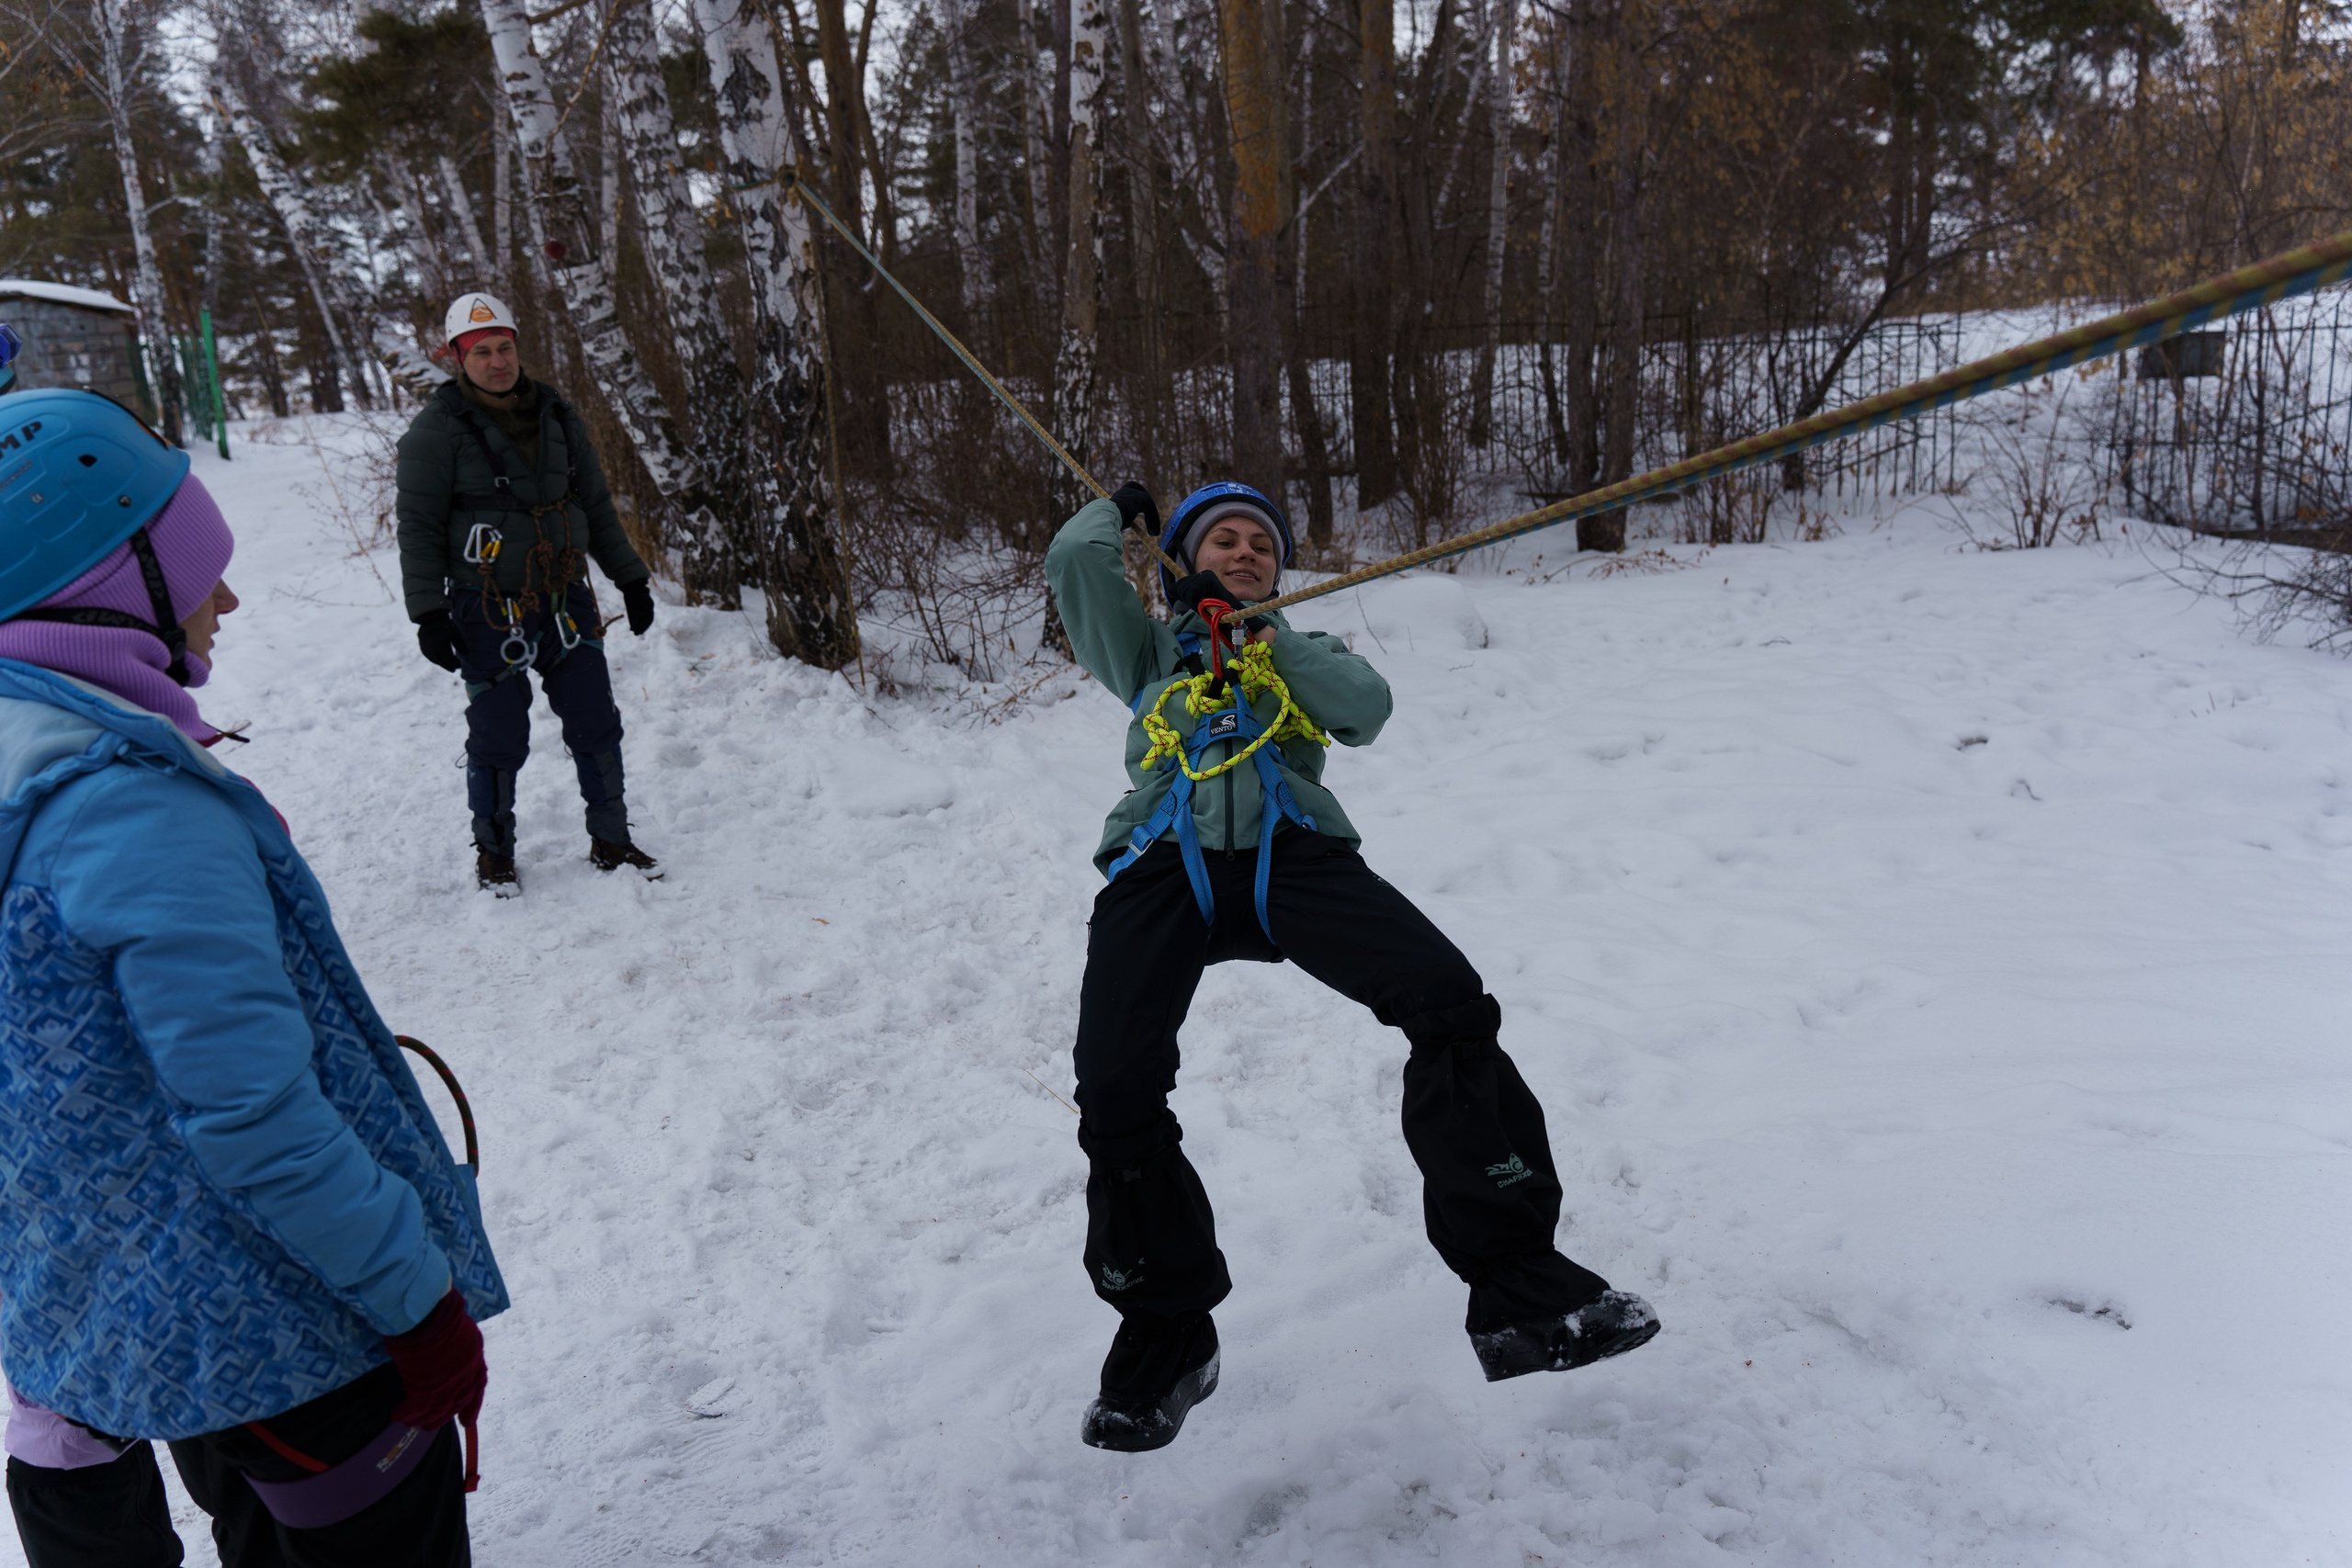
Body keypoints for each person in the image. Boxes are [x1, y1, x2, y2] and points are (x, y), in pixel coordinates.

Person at [0, 386, 508, 1564]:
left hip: (132, 1313)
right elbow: (254, 1120)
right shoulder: (129, 812)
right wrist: (419, 1306)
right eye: (195, 571)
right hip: (296, 1332)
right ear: (111, 581)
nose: (225, 597)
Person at [1044, 479, 1659, 1452]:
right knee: (1113, 1088)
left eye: (1261, 546)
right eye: (1223, 542)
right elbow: (1076, 570)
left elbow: (1364, 710)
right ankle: (1165, 1342)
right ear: (1184, 561)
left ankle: (1520, 1293)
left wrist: (1266, 640)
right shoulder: (1150, 653)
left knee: (1451, 1005)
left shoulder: (1301, 650)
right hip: (1167, 861)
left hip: (1297, 858)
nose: (1245, 553)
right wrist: (1118, 515)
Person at [394, 292, 661, 893]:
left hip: (565, 597)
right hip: (484, 607)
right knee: (498, 736)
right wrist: (429, 613)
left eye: (505, 348)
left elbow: (594, 502)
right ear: (457, 357)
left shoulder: (558, 416)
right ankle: (495, 855)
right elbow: (418, 526)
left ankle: (612, 839)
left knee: (596, 720)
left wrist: (631, 578)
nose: (497, 362)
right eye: (481, 351)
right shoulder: (435, 433)